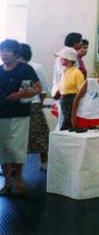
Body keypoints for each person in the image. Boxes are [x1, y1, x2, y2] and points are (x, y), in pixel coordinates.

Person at [0, 40, 41, 196]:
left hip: (20, 114)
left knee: (16, 147)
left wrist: (20, 94)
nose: (4, 54)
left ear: (16, 53)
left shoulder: (25, 69)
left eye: (7, 51)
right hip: (2, 114)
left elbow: (37, 88)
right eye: (2, 50)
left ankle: (18, 180)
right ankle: (7, 182)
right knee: (3, 148)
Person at [19, 44, 50, 171]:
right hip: (15, 106)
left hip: (33, 104)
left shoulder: (36, 67)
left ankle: (44, 162)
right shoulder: (10, 67)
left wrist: (39, 103)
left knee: (40, 135)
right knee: (16, 137)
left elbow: (44, 89)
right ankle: (13, 165)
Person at [53, 47, 85, 130]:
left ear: (68, 59)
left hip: (71, 99)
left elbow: (81, 90)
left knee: (67, 121)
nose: (60, 59)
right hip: (64, 99)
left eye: (62, 58)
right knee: (65, 119)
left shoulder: (76, 73)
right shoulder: (65, 71)